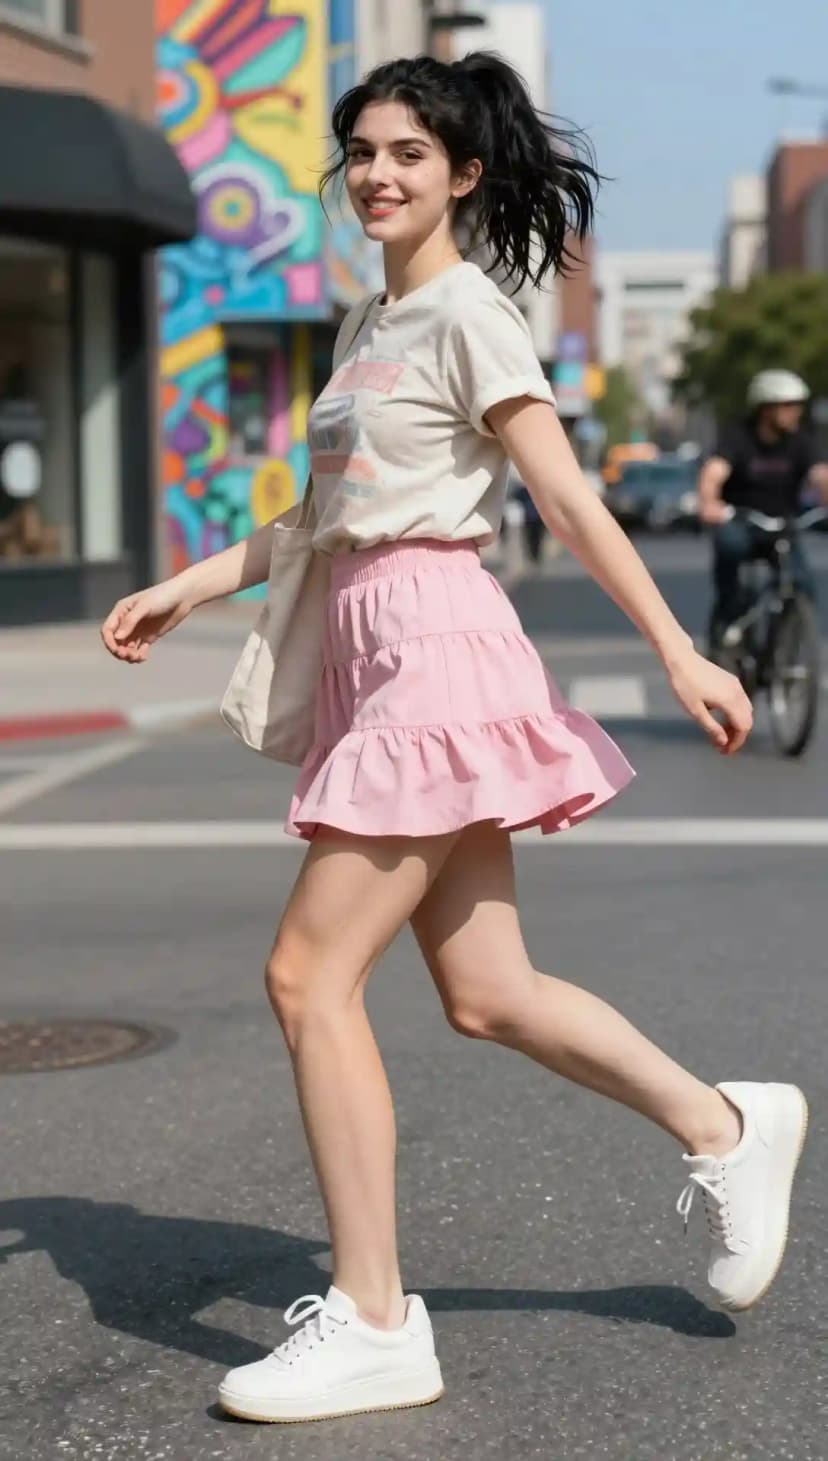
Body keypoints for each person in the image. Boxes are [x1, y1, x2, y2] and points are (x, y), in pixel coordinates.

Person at [102, 54, 806, 1427]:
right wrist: (186, 584)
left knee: (308, 975)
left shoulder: (472, 314)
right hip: (379, 645)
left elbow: (572, 495)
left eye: (408, 155)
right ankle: (728, 1124)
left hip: (432, 646)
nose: (377, 173)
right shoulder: (375, 317)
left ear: (465, 173)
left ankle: (373, 1317)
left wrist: (675, 646)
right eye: (361, 151)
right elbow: (324, 517)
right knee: (488, 991)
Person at [699, 370, 828, 640]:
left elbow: (821, 475)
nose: (796, 412)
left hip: (783, 526)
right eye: (789, 406)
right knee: (730, 550)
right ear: (767, 409)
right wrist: (709, 503)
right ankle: (728, 627)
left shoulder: (801, 441)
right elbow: (714, 472)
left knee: (803, 587)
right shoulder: (738, 437)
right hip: (742, 522)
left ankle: (787, 653)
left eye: (798, 405)